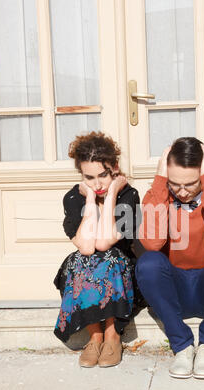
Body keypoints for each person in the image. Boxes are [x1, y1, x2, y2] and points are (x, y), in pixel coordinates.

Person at [135, 137, 204, 379]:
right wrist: (161, 183)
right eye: (175, 184)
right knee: (148, 262)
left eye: (191, 184)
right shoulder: (157, 194)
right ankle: (182, 344)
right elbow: (152, 243)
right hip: (174, 292)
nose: (182, 192)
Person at [53, 131, 140, 368]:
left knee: (109, 257)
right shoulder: (74, 197)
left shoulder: (128, 195)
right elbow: (86, 245)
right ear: (81, 176)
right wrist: (90, 201)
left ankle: (112, 334)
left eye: (104, 175)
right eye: (89, 178)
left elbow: (104, 243)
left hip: (123, 272)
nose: (98, 184)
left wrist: (111, 195)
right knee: (78, 260)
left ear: (115, 168)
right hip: (88, 265)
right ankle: (95, 335)